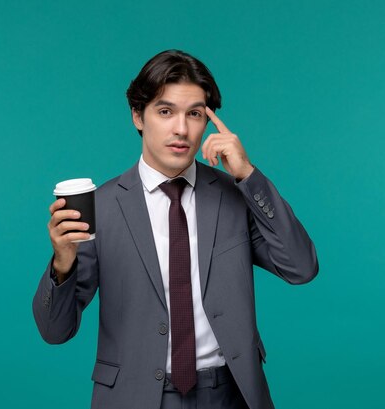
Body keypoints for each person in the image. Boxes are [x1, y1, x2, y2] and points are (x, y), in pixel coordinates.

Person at [32, 49, 319, 409]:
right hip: (136, 396)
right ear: (138, 116)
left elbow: (301, 267)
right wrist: (62, 263)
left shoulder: (233, 195)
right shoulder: (101, 207)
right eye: (165, 112)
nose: (181, 129)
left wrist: (248, 175)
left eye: (195, 114)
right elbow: (54, 331)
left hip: (230, 394)